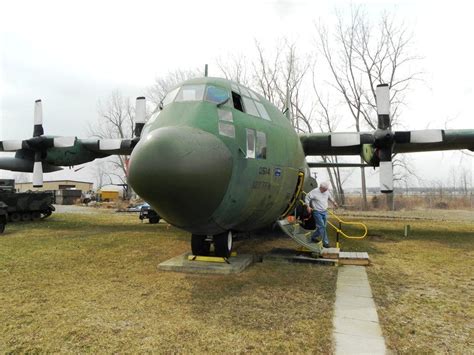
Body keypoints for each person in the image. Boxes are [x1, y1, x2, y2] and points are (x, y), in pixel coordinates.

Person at [304, 182, 338, 248]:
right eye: (325, 189)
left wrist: (334, 202)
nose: (326, 190)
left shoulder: (326, 192)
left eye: (326, 189)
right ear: (321, 187)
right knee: (322, 227)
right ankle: (325, 243)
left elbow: (330, 197)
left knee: (323, 227)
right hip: (317, 212)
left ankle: (313, 237)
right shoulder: (314, 192)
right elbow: (307, 197)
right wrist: (308, 206)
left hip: (324, 212)